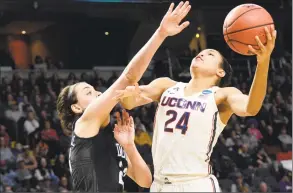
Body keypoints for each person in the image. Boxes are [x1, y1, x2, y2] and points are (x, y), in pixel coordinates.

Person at [115, 26, 277, 191]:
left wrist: (263, 63)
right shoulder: (166, 85)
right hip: (160, 184)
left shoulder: (221, 95)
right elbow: (129, 102)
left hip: (195, 183)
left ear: (220, 72)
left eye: (210, 54)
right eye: (202, 52)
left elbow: (252, 107)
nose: (203, 53)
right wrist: (129, 90)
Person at [56, 1, 191, 192]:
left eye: (96, 90)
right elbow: (128, 77)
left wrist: (129, 146)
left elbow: (145, 181)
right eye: (88, 92)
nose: (98, 93)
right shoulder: (85, 123)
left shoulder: (112, 136)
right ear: (77, 108)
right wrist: (160, 33)